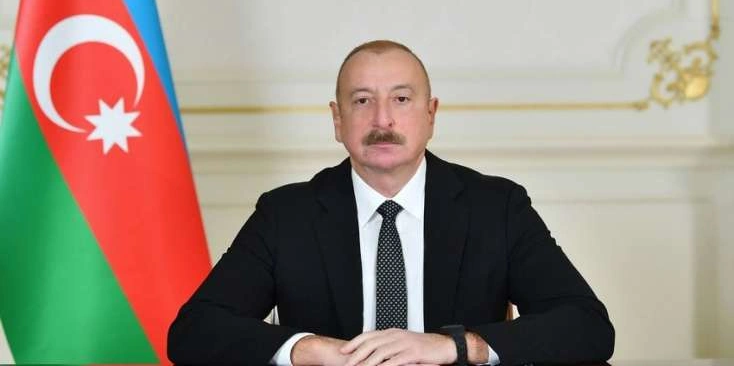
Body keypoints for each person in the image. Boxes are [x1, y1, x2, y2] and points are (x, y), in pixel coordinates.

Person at [168, 40, 615, 365]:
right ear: (337, 119)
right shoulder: (286, 215)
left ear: (431, 114)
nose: (382, 119)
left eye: (401, 99)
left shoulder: (496, 207)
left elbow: (587, 325)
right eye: (362, 101)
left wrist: (456, 347)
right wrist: (310, 349)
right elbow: (194, 331)